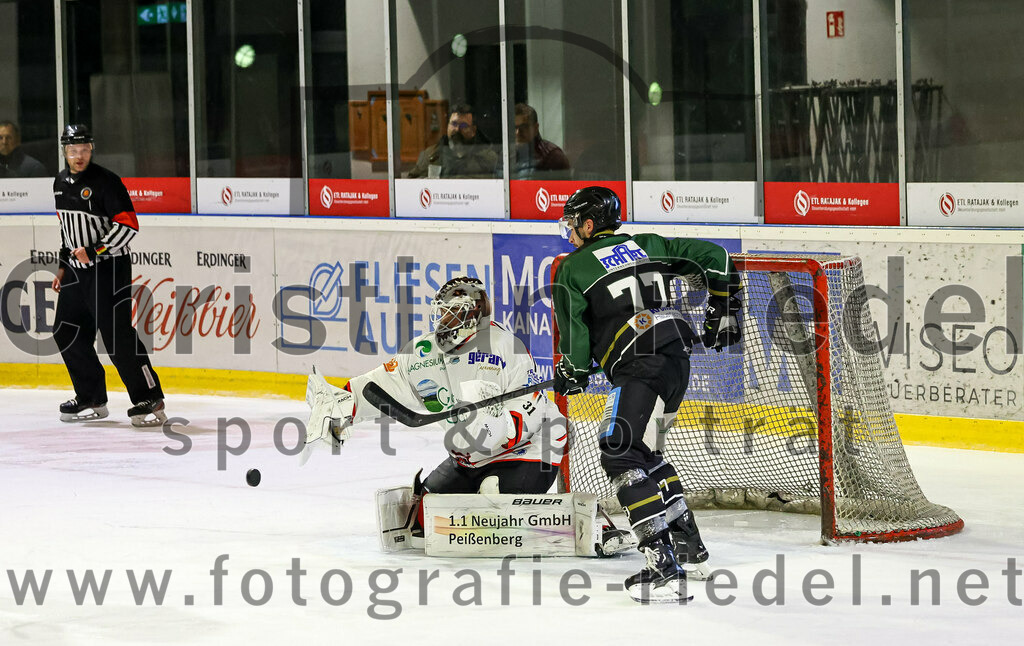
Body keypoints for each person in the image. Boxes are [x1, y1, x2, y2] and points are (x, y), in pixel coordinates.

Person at [305, 276, 633, 553]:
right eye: (441, 314)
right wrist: (341, 407)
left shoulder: (504, 346)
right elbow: (382, 385)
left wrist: (497, 428)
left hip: (531, 448)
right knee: (425, 516)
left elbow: (532, 408)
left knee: (492, 503)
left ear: (474, 316)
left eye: (452, 315)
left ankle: (590, 521)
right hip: (470, 455)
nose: (443, 322)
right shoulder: (423, 353)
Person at [551, 186, 742, 603]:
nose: (569, 233)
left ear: (588, 224)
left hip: (640, 367)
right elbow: (718, 257)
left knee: (618, 452)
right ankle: (690, 549)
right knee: (644, 455)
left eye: (572, 224)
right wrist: (724, 306)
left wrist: (573, 373)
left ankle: (662, 563)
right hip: (676, 362)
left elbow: (576, 343)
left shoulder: (574, 268)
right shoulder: (649, 245)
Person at [51, 124, 167, 427]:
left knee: (116, 335)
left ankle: (149, 397)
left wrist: (96, 251)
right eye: (73, 150)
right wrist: (63, 266)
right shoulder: (60, 182)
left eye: (84, 149)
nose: (79, 156)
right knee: (67, 330)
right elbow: (67, 231)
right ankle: (91, 396)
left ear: (92, 149)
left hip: (108, 268)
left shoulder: (106, 182)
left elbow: (129, 226)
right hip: (77, 271)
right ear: (64, 151)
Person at [407, 104, 499, 179]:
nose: (457, 129)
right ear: (447, 126)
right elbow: (411, 183)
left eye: (463, 125)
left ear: (473, 130)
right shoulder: (432, 155)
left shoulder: (487, 158)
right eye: (454, 124)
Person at [512, 103, 570, 179]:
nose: (518, 132)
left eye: (524, 127)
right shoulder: (507, 154)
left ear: (536, 128)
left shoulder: (553, 156)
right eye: (514, 127)